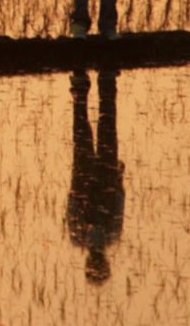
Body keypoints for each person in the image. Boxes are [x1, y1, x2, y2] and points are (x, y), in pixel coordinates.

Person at [66, 67, 125, 284]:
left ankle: (96, 83)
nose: (98, 263)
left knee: (98, 128)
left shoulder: (85, 237)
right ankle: (100, 82)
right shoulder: (89, 237)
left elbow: (73, 203)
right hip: (97, 179)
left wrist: (117, 179)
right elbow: (117, 202)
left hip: (91, 180)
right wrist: (117, 180)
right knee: (95, 128)